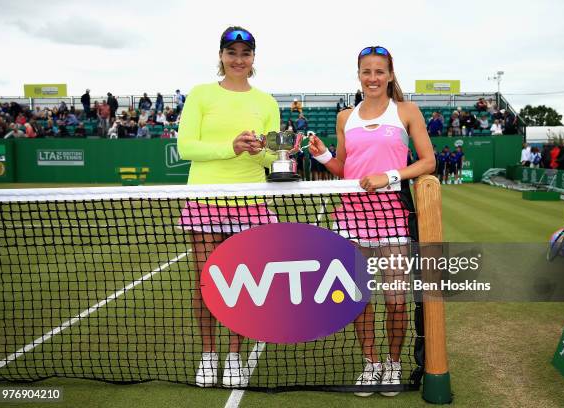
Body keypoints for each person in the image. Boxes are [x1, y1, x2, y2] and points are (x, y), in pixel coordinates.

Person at [308, 45, 435, 397]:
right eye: (367, 71)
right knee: (359, 299)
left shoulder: (407, 111)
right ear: (359, 75)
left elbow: (428, 162)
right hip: (351, 219)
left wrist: (390, 176)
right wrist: (323, 155)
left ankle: (393, 363)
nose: (373, 78)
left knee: (396, 301)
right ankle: (371, 363)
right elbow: (345, 170)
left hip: (392, 218)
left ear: (390, 75)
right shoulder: (346, 117)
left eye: (380, 71)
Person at [176, 26, 280, 389]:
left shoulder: (267, 102)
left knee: (241, 285)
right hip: (205, 200)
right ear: (221, 56)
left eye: (245, 53)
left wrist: (259, 151)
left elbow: (274, 156)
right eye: (232, 52)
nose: (239, 60)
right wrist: (231, 146)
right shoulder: (200, 95)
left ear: (254, 59)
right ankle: (209, 354)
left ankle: (234, 354)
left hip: (251, 203)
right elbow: (187, 147)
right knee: (207, 283)